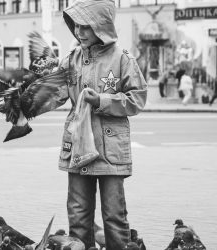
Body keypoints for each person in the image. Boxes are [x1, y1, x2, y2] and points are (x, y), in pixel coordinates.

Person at [46, 1, 147, 249]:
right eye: (76, 26)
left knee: (114, 216)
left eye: (84, 27)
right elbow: (50, 93)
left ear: (100, 27)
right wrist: (17, 99)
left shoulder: (123, 59)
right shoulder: (71, 60)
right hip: (79, 149)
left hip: (110, 152)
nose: (78, 32)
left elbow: (137, 99)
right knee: (78, 215)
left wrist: (101, 100)